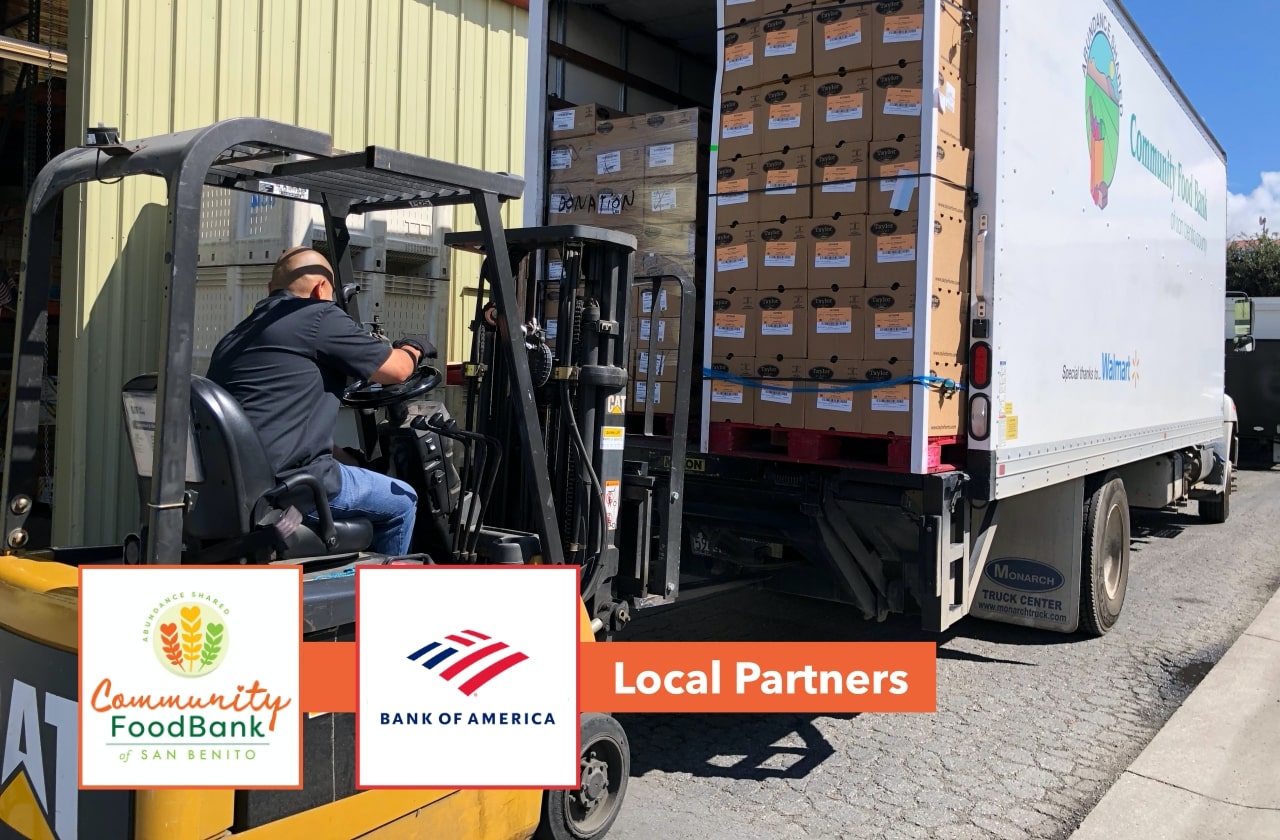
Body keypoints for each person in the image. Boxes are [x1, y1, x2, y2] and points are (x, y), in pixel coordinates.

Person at [206, 245, 435, 557]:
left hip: (243, 489)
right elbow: (397, 370)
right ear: (320, 288)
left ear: (270, 289)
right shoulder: (317, 315)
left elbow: (274, 425)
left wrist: (343, 457)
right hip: (295, 490)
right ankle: (387, 600)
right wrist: (416, 345)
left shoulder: (238, 336)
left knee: (357, 469)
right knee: (403, 500)